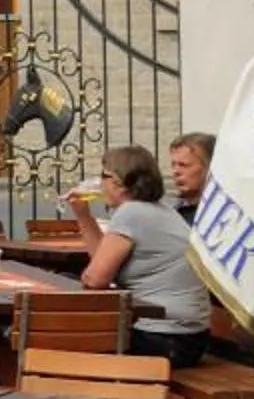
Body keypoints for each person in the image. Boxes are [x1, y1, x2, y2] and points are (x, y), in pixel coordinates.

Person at [66, 144, 211, 367]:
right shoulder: (157, 209)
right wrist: (83, 215)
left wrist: (89, 275)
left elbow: (95, 279)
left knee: (61, 335)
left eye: (103, 175)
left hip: (167, 338)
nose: (100, 183)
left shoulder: (132, 212)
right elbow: (100, 262)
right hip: (186, 337)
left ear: (119, 182)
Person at [169, 131, 215, 223]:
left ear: (209, 168)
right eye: (173, 165)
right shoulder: (169, 212)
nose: (176, 172)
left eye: (184, 165)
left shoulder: (222, 214)